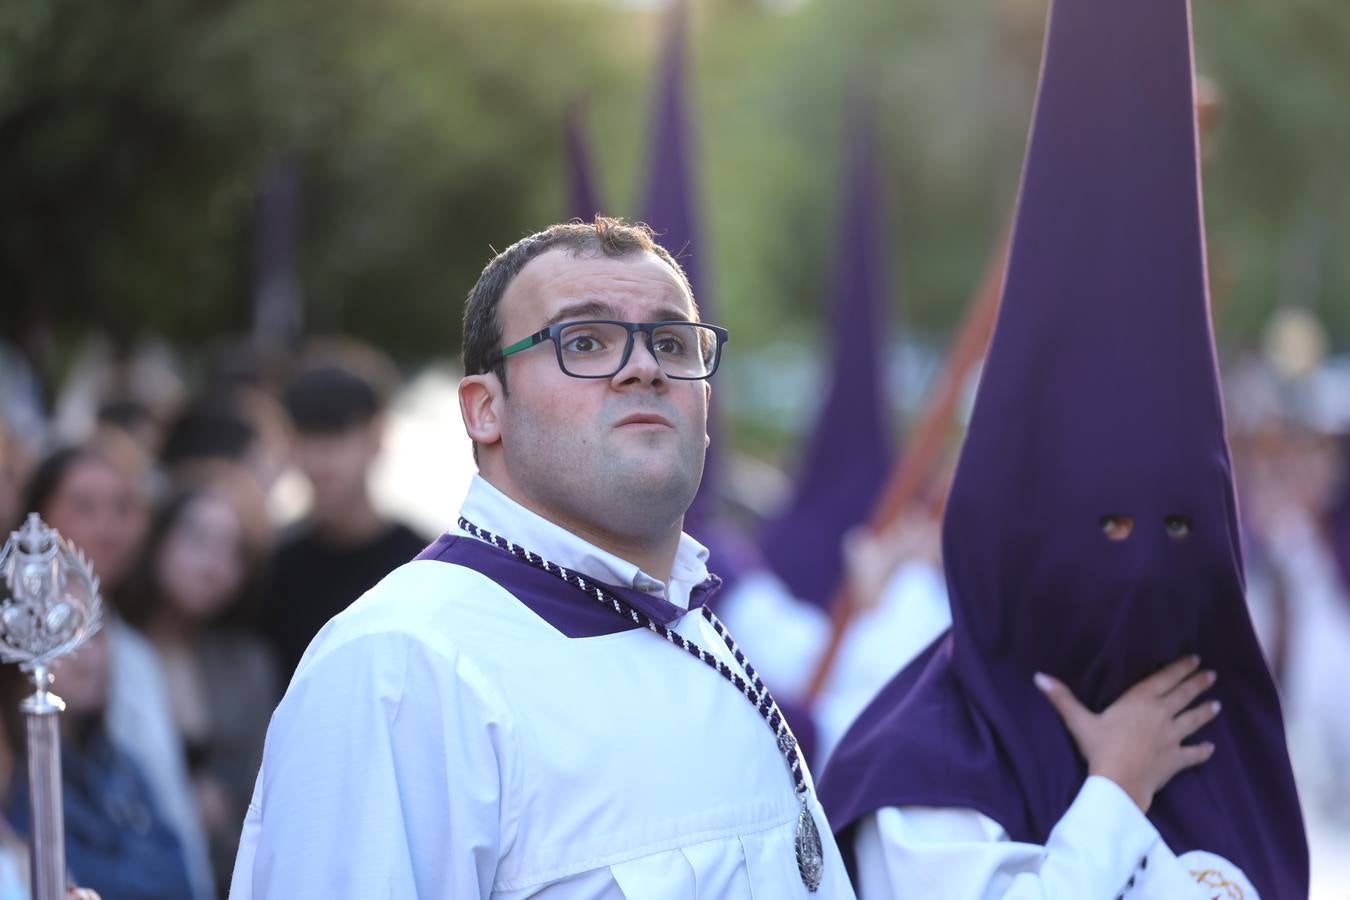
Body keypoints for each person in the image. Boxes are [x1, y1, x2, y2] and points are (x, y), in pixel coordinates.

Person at [818, 0, 1308, 897]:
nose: (1144, 570)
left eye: (1177, 528)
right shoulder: (926, 764)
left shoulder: (1219, 732)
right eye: (1110, 528)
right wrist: (1116, 788)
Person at [231, 218, 855, 897]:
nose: (644, 367)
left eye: (672, 342)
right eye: (584, 341)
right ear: (483, 411)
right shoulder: (403, 663)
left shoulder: (693, 624)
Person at [21, 442, 217, 900]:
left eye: (121, 508)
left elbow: (170, 823)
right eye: (85, 507)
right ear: (36, 518)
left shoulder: (136, 652)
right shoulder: (19, 654)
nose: (107, 527)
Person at [118, 463, 279, 896]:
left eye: (235, 553)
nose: (214, 564)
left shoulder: (248, 666)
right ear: (159, 537)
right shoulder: (107, 651)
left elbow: (262, 800)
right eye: (197, 537)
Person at [261, 343, 426, 678]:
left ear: (376, 438)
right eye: (307, 435)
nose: (321, 457)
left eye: (337, 434)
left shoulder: (421, 565)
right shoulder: (271, 568)